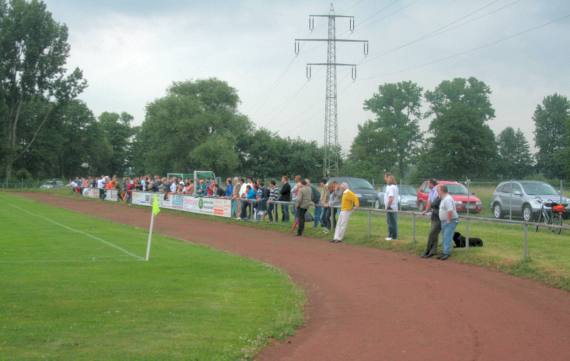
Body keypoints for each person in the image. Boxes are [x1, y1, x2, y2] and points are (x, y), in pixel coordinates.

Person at [438, 184, 459, 260]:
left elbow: (450, 210)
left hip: (450, 220)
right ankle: (444, 251)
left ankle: (446, 253)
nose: (437, 192)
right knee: (445, 236)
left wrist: (449, 220)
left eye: (438, 190)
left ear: (442, 191)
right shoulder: (443, 198)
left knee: (447, 236)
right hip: (445, 221)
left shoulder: (447, 199)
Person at [421, 179, 441, 258]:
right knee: (434, 234)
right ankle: (433, 251)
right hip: (434, 214)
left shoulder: (437, 190)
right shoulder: (431, 191)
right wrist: (426, 211)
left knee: (432, 233)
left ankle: (428, 250)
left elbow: (435, 203)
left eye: (428, 183)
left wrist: (429, 209)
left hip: (438, 214)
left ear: (432, 184)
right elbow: (429, 202)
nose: (428, 185)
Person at [384, 173, 399, 241]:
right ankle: (394, 236)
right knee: (393, 222)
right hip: (394, 207)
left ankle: (391, 236)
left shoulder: (391, 187)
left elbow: (391, 198)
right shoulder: (395, 187)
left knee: (391, 222)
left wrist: (388, 206)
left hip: (391, 207)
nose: (386, 180)